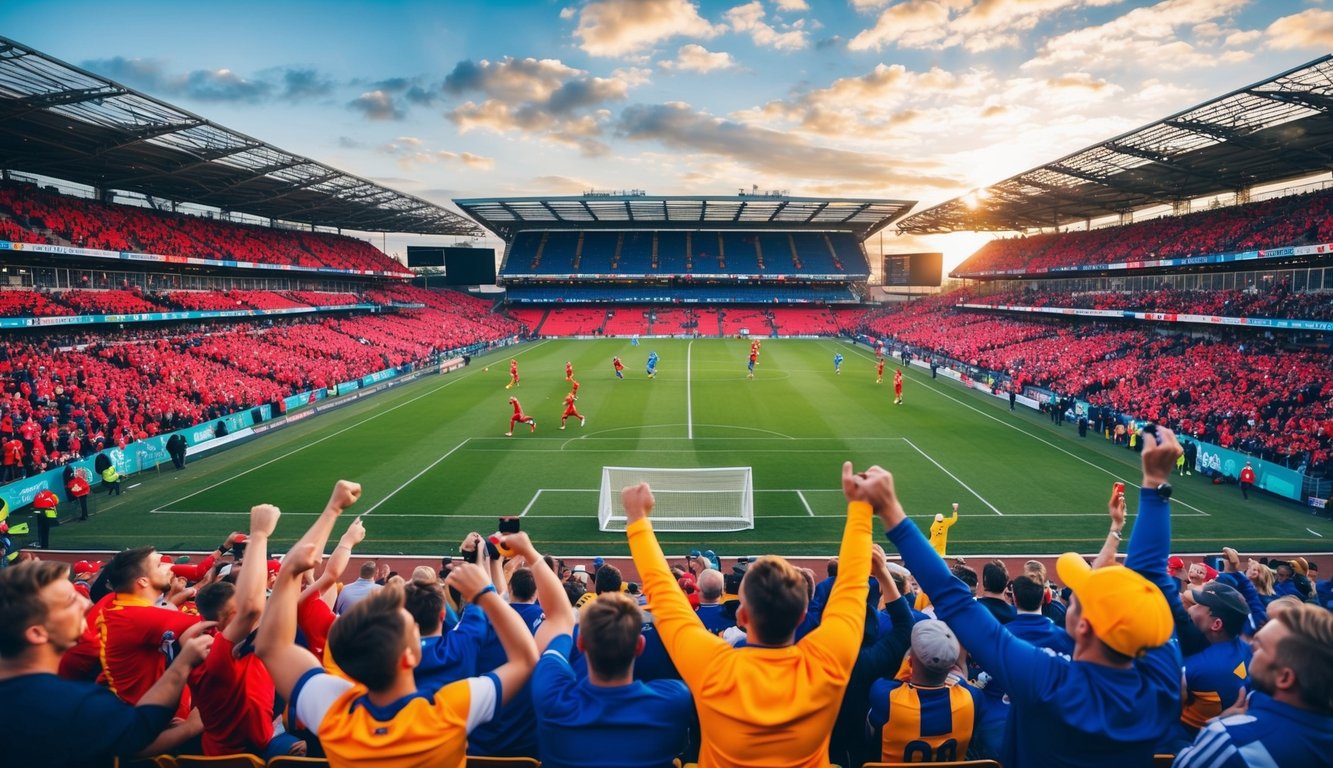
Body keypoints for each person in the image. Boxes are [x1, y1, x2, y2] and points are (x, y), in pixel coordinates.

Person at [879, 425, 1184, 767]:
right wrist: (1154, 487)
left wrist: (892, 514)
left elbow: (958, 603)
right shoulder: (1162, 683)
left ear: (1082, 627)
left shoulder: (1049, 683)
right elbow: (1151, 579)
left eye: (1078, 595)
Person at [255, 480, 541, 768]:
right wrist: (485, 593)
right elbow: (527, 659)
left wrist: (291, 565)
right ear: (411, 656)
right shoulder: (449, 710)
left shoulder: (335, 712)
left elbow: (271, 646)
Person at [620, 461, 874, 767]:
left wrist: (637, 520)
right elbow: (853, 585)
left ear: (741, 617)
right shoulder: (828, 660)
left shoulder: (713, 667)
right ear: (802, 614)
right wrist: (860, 509)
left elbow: (664, 593)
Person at [0, 560, 213, 768]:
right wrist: (190, 725)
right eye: (69, 601)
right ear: (37, 633)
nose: (84, 604)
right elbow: (139, 735)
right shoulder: (78, 704)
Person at [189, 503, 304, 758]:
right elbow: (253, 607)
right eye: (237, 607)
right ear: (230, 616)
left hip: (218, 750)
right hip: (253, 748)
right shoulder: (224, 654)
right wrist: (260, 535)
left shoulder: (196, 648)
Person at [532, 586, 693, 768]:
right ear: (640, 646)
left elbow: (559, 632)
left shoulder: (550, 695)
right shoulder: (675, 699)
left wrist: (534, 560)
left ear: (581, 643)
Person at [1173, 603, 1333, 768]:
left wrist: (1216, 723)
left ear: (1284, 678)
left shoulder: (1232, 741)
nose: (1251, 651)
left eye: (1259, 647)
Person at [98, 545, 207, 721]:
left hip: (127, 709)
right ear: (142, 581)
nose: (168, 567)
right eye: (158, 565)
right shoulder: (140, 617)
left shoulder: (120, 606)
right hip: (140, 720)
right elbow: (218, 622)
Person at [868, 619, 984, 764]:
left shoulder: (884, 696)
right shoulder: (972, 697)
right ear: (952, 665)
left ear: (909, 662)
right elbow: (961, 680)